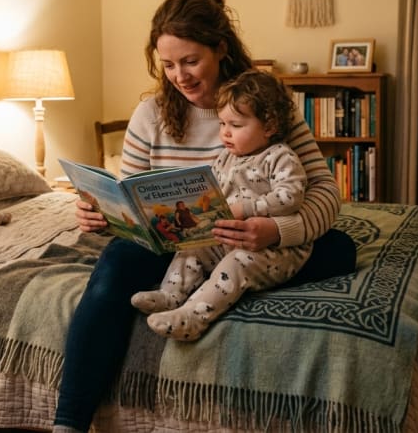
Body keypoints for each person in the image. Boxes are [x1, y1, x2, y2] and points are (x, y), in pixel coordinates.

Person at [52, 0, 357, 433]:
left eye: (190, 61)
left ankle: (231, 276)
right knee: (115, 262)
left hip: (248, 237)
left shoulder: (262, 103)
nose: (179, 75)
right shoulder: (150, 114)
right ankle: (68, 423)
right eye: (168, 65)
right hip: (174, 246)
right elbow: (129, 194)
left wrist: (273, 230)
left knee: (340, 248)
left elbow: (325, 192)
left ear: (221, 48)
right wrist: (101, 216)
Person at [132, 70, 312, 341]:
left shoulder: (280, 157)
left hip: (274, 249)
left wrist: (247, 208)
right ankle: (172, 295)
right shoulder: (226, 157)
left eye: (236, 126)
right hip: (229, 237)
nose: (225, 133)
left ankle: (193, 317)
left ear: (269, 126)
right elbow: (211, 193)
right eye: (222, 124)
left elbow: (291, 197)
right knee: (192, 248)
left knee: (237, 263)